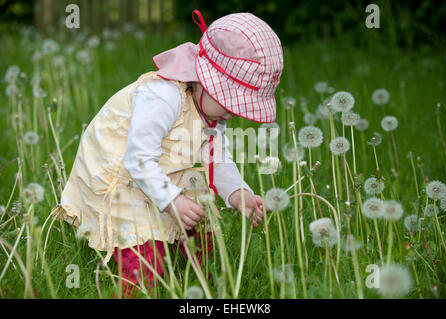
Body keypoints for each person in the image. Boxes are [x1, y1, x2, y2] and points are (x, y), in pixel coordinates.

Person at [50, 9, 284, 298]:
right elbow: (137, 159)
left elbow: (216, 156)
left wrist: (237, 193)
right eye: (229, 101)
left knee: (199, 224)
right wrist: (172, 200)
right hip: (124, 174)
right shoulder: (163, 96)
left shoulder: (212, 112)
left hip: (161, 168)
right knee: (145, 253)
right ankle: (140, 285)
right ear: (204, 80)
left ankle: (195, 279)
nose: (234, 112)